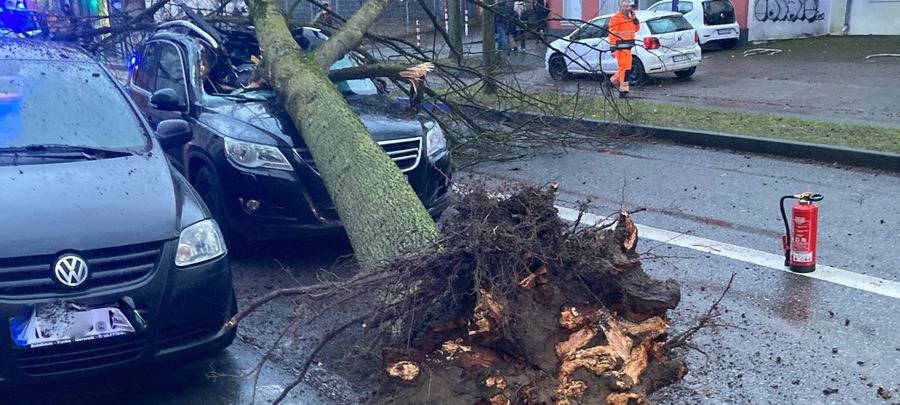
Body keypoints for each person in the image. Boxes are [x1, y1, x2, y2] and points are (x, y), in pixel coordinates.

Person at [608, 0, 639, 97]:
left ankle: (609, 83)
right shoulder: (615, 18)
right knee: (625, 70)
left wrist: (634, 19)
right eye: (625, 6)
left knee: (625, 69)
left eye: (629, 6)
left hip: (628, 48)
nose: (628, 8)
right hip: (620, 48)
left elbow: (636, 29)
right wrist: (613, 49)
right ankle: (624, 91)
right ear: (620, 7)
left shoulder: (629, 18)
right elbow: (612, 34)